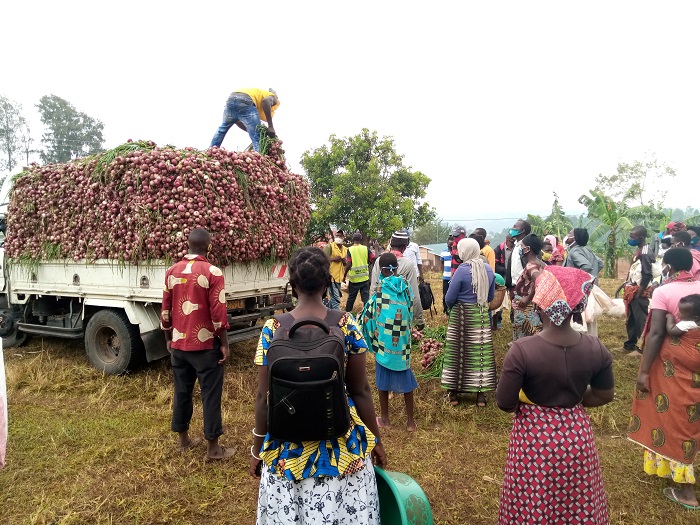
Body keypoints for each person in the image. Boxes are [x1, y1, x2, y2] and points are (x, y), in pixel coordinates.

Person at [250, 247, 386, 524]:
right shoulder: (347, 323)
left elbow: (263, 396)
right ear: (327, 283)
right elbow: (360, 391)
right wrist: (375, 441)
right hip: (340, 447)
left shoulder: (272, 327)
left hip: (287, 451)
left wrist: (257, 450)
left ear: (293, 285)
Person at [496, 266, 614, 525]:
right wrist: (576, 398)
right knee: (576, 500)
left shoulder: (522, 350)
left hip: (534, 439)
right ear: (576, 306)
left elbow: (504, 402)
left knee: (534, 498)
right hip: (577, 438)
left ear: (541, 302)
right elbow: (605, 394)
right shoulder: (596, 348)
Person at [627, 248, 700, 510]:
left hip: (675, 365)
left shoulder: (664, 291)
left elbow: (657, 333)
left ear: (667, 267)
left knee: (678, 418)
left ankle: (687, 492)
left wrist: (644, 371)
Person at [160, 228, 233, 461]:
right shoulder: (213, 272)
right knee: (210, 395)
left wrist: (169, 339)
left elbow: (165, 310)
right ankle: (213, 450)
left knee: (182, 391)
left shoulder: (172, 271)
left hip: (179, 346)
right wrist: (224, 343)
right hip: (204, 347)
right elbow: (218, 314)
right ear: (208, 247)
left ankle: (183, 440)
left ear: (188, 244)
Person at [360, 252, 418, 432]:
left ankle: (385, 419)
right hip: (402, 343)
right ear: (396, 269)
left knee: (382, 381)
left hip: (384, 343)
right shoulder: (406, 287)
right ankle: (410, 422)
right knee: (406, 377)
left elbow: (368, 316)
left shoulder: (380, 290)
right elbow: (410, 311)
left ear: (382, 270)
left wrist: (367, 331)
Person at [442, 238, 496, 407]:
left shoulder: (462, 270)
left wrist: (453, 308)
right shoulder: (488, 269)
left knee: (457, 354)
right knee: (480, 354)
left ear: (465, 251)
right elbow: (490, 297)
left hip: (461, 316)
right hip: (480, 315)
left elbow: (449, 298)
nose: (458, 253)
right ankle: (480, 397)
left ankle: (453, 396)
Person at [370, 231, 425, 329]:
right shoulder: (407, 264)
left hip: (381, 313)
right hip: (400, 316)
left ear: (391, 244)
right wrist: (419, 319)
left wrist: (371, 313)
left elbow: (373, 289)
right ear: (404, 247)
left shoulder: (380, 261)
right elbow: (414, 296)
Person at [210, 88, 280, 152]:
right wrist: (270, 126)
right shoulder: (273, 97)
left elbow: (236, 121)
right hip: (246, 99)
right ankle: (260, 157)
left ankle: (211, 151)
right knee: (257, 135)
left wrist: (251, 130)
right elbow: (265, 101)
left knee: (222, 129)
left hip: (231, 98)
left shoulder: (257, 94)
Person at [623, 225, 656, 355]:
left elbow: (647, 274)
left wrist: (639, 292)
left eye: (633, 236)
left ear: (641, 237)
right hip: (633, 290)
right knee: (631, 318)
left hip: (640, 291)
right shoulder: (639, 249)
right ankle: (630, 344)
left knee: (641, 319)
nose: (630, 239)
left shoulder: (646, 252)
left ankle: (642, 349)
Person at [512, 234, 545, 341]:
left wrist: (528, 297)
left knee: (528, 335)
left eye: (522, 246)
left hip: (527, 307)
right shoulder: (541, 264)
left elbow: (539, 281)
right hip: (532, 305)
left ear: (528, 249)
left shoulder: (531, 266)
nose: (520, 249)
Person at [343, 232, 376, 311]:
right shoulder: (365, 248)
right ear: (360, 239)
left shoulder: (350, 249)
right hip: (364, 278)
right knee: (365, 298)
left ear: (353, 240)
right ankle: (367, 314)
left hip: (354, 280)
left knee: (351, 298)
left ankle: (347, 314)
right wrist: (369, 263)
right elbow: (373, 258)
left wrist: (344, 275)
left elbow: (349, 263)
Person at [323, 229, 347, 310]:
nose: (338, 237)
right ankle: (338, 317)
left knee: (334, 297)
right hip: (331, 276)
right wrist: (333, 259)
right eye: (337, 236)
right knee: (336, 299)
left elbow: (346, 264)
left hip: (339, 277)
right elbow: (323, 259)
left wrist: (344, 261)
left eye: (340, 236)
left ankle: (327, 311)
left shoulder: (345, 249)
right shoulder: (329, 246)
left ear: (343, 237)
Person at [507, 219, 532, 295]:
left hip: (524, 288)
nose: (512, 229)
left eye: (515, 227)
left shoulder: (527, 247)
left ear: (522, 231)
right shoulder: (516, 245)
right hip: (514, 287)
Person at [440, 235, 454, 313]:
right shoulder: (443, 252)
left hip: (455, 277)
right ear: (447, 243)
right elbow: (442, 263)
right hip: (446, 277)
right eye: (449, 244)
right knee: (445, 293)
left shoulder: (457, 252)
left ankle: (453, 309)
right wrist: (443, 273)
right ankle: (445, 309)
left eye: (452, 244)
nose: (450, 246)